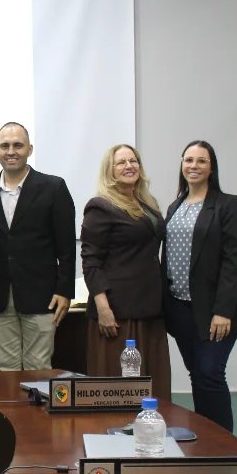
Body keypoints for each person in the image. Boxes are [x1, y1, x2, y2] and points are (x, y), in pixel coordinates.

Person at [162, 141, 237, 432]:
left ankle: (225, 447)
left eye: (201, 161)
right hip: (180, 308)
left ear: (211, 167)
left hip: (217, 311)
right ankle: (206, 439)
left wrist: (223, 311)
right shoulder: (175, 206)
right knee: (197, 375)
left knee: (209, 372)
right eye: (188, 160)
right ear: (181, 165)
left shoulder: (228, 205)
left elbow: (233, 262)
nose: (194, 166)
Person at [0, 122, 76, 372]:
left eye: (18, 145)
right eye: (5, 146)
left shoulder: (53, 187)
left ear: (30, 149)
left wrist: (65, 290)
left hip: (42, 296)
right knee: (5, 370)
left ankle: (37, 414)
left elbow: (67, 245)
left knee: (39, 369)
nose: (11, 151)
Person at [81, 144, 171, 401]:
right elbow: (90, 261)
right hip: (119, 313)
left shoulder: (147, 203)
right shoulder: (101, 206)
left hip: (150, 309)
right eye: (121, 163)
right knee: (121, 388)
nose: (129, 166)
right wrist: (103, 308)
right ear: (110, 171)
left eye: (133, 161)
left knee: (152, 385)